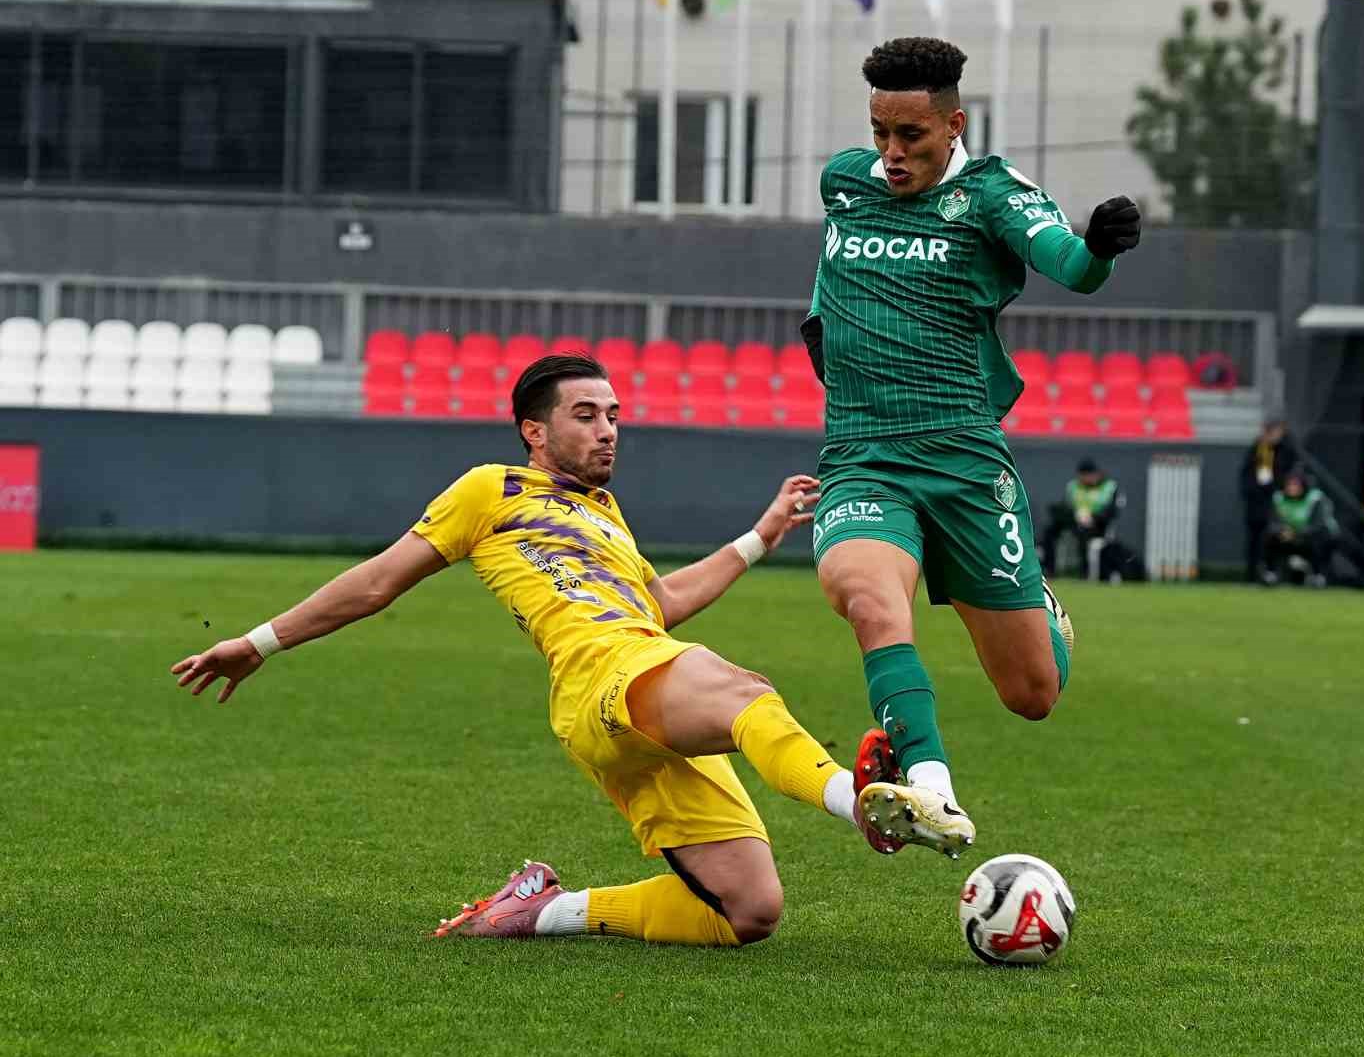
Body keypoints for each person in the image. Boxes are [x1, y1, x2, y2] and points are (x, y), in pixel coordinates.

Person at [169, 355, 956, 950]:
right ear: (535, 431)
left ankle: (543, 909)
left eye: (614, 413)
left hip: (641, 675)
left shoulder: (607, 513)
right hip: (600, 678)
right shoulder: (490, 489)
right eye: (586, 414)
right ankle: (866, 805)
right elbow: (378, 582)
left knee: (748, 912)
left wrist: (762, 534)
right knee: (741, 686)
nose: (608, 428)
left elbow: (660, 604)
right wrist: (261, 641)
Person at [800, 37, 1141, 845]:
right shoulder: (843, 183)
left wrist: (1097, 246)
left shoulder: (991, 196)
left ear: (954, 124)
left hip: (961, 460)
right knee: (870, 598)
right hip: (861, 455)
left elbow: (1067, 263)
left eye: (911, 136)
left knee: (1031, 691)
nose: (890, 154)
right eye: (880, 131)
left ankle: (1044, 613)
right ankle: (929, 787)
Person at [1038, 458, 1124, 580]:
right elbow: (1065, 506)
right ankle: (1049, 569)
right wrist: (1075, 514)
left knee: (1084, 536)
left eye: (1088, 475)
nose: (1085, 478)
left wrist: (1092, 517)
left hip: (1097, 525)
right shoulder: (1073, 486)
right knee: (1050, 531)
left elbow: (1111, 512)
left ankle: (1085, 573)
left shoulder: (1109, 487)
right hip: (1075, 521)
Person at [1239, 419, 1296, 583]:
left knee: (1274, 539)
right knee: (1255, 540)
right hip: (1257, 504)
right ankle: (1252, 575)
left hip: (1274, 504)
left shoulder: (1284, 450)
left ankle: (1273, 573)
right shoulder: (1258, 450)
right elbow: (1252, 478)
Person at [1260, 470, 1338, 587]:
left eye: (1295, 485)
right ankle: (1270, 574)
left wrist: (1297, 533)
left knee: (1319, 540)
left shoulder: (1315, 498)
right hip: (1287, 537)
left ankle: (1319, 576)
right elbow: (1273, 521)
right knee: (1269, 537)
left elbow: (1318, 524)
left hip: (1311, 538)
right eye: (1289, 485)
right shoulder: (1279, 498)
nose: (1292, 488)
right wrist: (1282, 530)